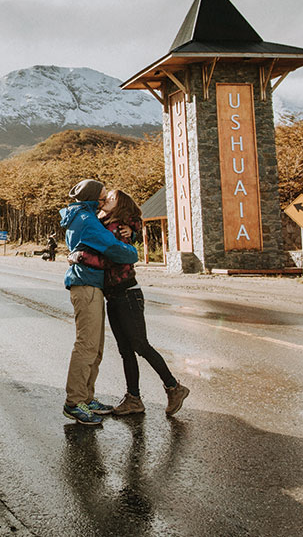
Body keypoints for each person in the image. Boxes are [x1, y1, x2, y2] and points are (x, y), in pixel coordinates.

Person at [79, 189, 189, 416]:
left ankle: (173, 387)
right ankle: (134, 399)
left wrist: (80, 256)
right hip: (115, 295)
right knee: (125, 350)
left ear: (121, 205)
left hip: (127, 293)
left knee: (139, 344)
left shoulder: (121, 226)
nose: (105, 200)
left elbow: (114, 251)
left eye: (111, 198)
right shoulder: (108, 223)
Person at [60, 179, 139, 426]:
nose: (105, 201)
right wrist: (134, 251)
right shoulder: (87, 221)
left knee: (96, 346)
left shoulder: (84, 217)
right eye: (103, 197)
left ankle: (87, 397)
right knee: (87, 345)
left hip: (91, 285)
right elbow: (115, 249)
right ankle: (74, 402)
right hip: (86, 285)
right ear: (93, 198)